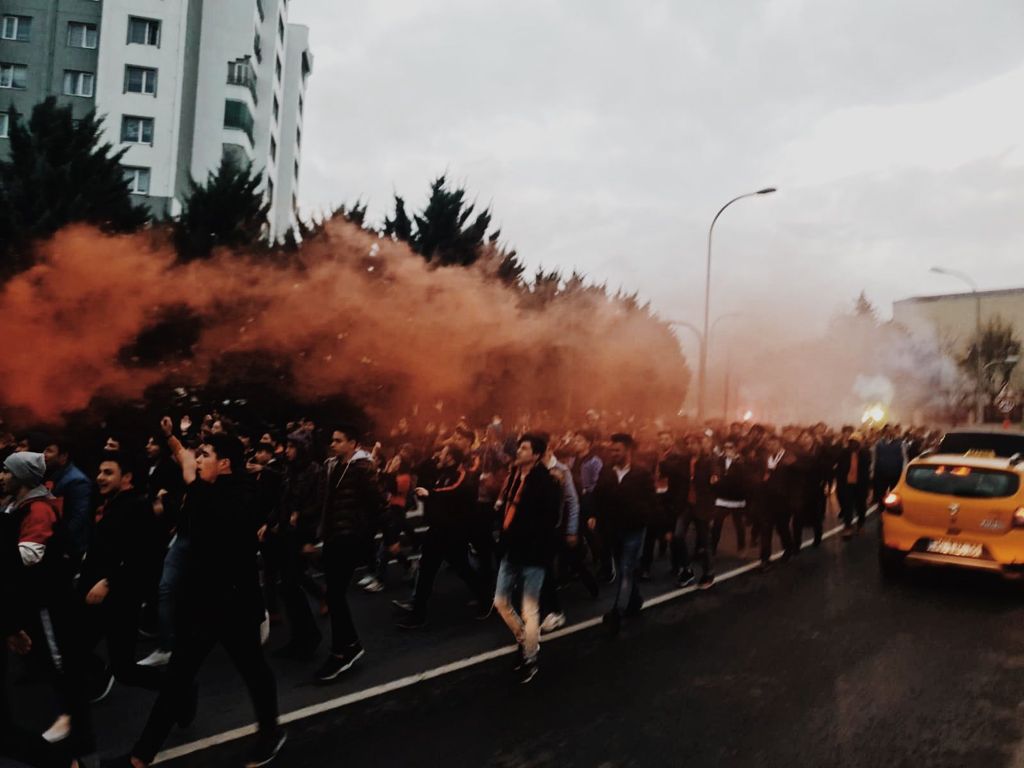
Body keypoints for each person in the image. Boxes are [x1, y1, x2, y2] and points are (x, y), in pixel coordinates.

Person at [102, 420, 284, 768]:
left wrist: (190, 480)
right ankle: (141, 757)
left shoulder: (242, 494)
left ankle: (270, 733)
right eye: (199, 456)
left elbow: (223, 521)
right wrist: (171, 441)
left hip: (235, 605)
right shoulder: (204, 491)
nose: (198, 460)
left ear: (226, 463)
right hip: (202, 603)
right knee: (177, 677)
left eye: (206, 455)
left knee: (254, 672)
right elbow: (186, 484)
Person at [2, 451, 92, 765]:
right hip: (34, 601)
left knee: (59, 663)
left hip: (47, 602)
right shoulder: (17, 506)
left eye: (6, 471)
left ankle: (76, 735)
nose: (1, 476)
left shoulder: (38, 508)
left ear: (21, 477)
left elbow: (28, 555)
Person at [393, 444, 490, 629]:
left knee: (462, 569)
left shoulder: (462, 475)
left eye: (443, 454)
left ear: (452, 458)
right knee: (427, 571)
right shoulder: (442, 473)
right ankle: (418, 613)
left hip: (453, 533)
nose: (439, 456)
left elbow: (456, 490)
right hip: (438, 531)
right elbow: (437, 494)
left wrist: (430, 494)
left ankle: (486, 599)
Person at [314, 425, 383, 682]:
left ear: (353, 443)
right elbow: (324, 501)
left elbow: (379, 502)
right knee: (334, 594)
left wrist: (391, 537)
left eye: (338, 440)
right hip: (333, 536)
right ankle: (349, 645)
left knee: (335, 593)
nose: (333, 444)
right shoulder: (332, 466)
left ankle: (343, 651)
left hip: (350, 538)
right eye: (332, 440)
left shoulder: (362, 468)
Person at [493, 434, 561, 684]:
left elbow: (548, 522)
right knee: (500, 601)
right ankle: (525, 639)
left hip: (533, 555)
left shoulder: (547, 483)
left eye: (524, 448)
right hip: (510, 550)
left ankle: (530, 658)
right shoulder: (513, 476)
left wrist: (534, 546)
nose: (518, 451)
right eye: (519, 446)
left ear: (536, 454)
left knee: (530, 610)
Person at [592, 433, 656, 635]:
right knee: (623, 568)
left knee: (627, 567)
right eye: (612, 450)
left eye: (617, 450)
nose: (613, 453)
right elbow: (598, 496)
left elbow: (651, 502)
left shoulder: (642, 473)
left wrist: (644, 519)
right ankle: (635, 600)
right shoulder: (606, 471)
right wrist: (594, 516)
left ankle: (617, 614)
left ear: (628, 450)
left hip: (634, 530)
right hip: (613, 530)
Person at [42, 439, 92, 567]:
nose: (44, 454)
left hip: (67, 549)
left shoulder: (77, 480)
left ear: (63, 456)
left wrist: (60, 543)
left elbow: (79, 517)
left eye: (49, 451)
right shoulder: (54, 473)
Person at [759, 435, 796, 570]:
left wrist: (793, 500)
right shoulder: (765, 457)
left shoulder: (789, 457)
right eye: (768, 444)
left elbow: (794, 481)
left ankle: (788, 548)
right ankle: (765, 559)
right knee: (766, 529)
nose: (770, 446)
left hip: (783, 500)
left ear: (780, 443)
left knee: (782, 528)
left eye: (773, 443)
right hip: (767, 500)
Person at [836, 431, 871, 539]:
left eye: (856, 442)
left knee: (861, 505)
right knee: (847, 506)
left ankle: (861, 524)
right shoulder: (844, 452)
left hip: (860, 484)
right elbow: (839, 468)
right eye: (851, 442)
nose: (853, 444)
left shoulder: (865, 453)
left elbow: (867, 468)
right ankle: (848, 526)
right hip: (847, 484)